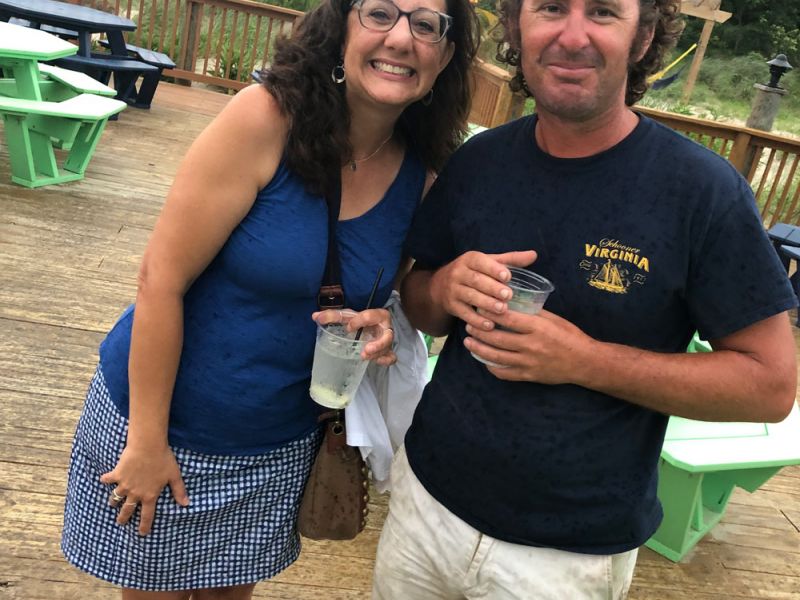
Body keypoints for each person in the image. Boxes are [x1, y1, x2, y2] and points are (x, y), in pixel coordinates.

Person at [372, 0, 798, 598]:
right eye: (550, 8)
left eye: (602, 11)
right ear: (518, 29)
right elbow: (418, 302)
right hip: (426, 506)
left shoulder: (702, 192)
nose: (572, 37)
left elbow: (771, 385)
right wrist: (442, 287)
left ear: (644, 36)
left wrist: (584, 360)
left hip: (566, 557)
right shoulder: (480, 160)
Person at [60, 0, 479, 597]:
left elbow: (382, 295)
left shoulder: (423, 178)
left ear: (445, 56)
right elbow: (160, 280)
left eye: (426, 25)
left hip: (277, 447)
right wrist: (147, 442)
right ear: (341, 28)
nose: (402, 38)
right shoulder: (264, 119)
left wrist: (380, 324)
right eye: (380, 13)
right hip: (164, 426)